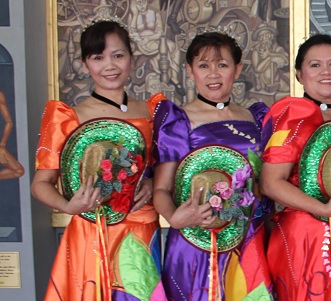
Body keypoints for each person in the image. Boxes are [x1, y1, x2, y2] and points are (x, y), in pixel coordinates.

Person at [32, 19, 165, 301]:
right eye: (98, 57)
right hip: (90, 232)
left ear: (132, 57)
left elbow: (164, 169)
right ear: (84, 64)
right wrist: (69, 205)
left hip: (141, 228)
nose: (110, 65)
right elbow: (41, 184)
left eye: (118, 55)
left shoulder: (154, 111)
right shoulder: (68, 117)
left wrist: (154, 185)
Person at [152, 32, 273, 300]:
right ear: (189, 70)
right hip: (196, 238)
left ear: (237, 69)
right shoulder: (178, 120)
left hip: (248, 237)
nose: (213, 74)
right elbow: (160, 189)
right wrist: (174, 217)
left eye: (222, 64)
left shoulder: (256, 118)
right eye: (203, 66)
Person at [261, 34, 331, 301]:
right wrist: (324, 209)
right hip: (307, 234)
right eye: (315, 65)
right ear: (299, 73)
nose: (325, 72)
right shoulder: (293, 115)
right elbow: (271, 182)